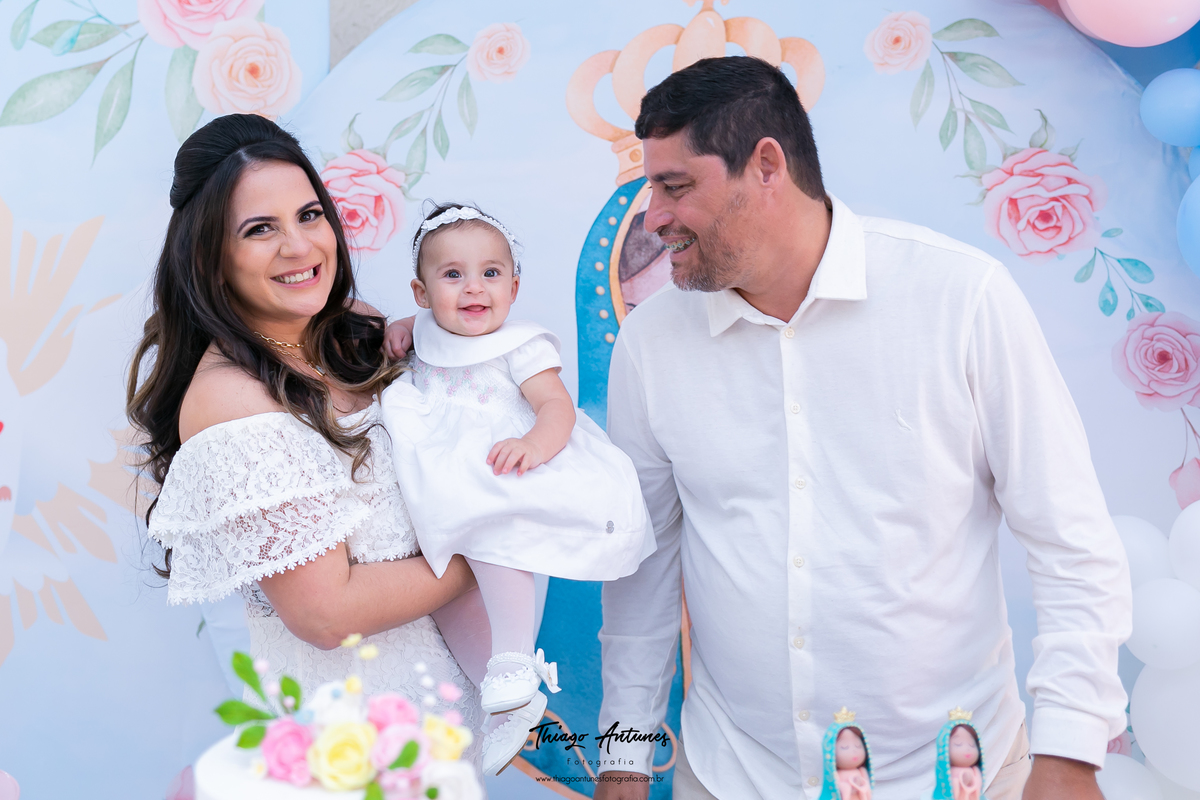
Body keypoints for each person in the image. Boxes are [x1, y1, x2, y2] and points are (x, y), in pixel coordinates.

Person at [594, 56, 1131, 800]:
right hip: (733, 777)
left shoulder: (961, 299)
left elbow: (1070, 540)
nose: (652, 217)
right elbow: (643, 570)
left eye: (675, 186)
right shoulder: (651, 342)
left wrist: (1070, 756)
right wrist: (624, 757)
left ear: (768, 166)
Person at [127, 114, 483, 764]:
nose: (298, 246)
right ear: (209, 253)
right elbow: (325, 614)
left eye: (309, 215)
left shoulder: (352, 331)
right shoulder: (232, 397)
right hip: (352, 749)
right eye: (260, 229)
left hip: (442, 727)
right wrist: (492, 546)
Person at [380, 201, 654, 775]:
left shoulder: (521, 345)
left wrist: (535, 445)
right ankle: (503, 696)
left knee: (496, 540)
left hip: (504, 466)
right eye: (452, 275)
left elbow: (555, 407)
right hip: (442, 482)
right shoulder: (424, 330)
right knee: (445, 588)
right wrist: (403, 328)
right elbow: (413, 335)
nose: (474, 287)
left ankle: (512, 659)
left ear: (515, 285)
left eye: (490, 273)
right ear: (421, 292)